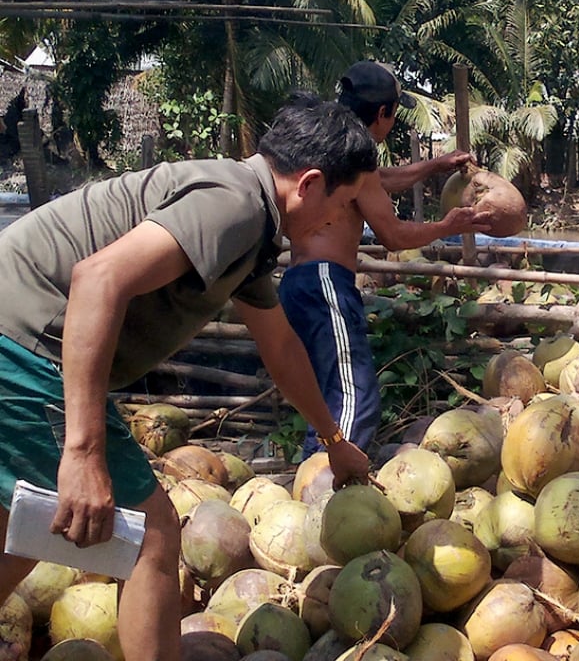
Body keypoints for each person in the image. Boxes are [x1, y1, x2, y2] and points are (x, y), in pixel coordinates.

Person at [0, 99, 376, 661]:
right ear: (311, 184)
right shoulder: (235, 205)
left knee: (28, 527)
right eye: (343, 206)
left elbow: (281, 348)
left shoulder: (250, 232)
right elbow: (97, 279)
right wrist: (82, 450)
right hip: (23, 348)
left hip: (17, 341)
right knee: (151, 536)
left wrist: (334, 442)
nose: (337, 223)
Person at [278, 62, 494, 457]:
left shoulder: (334, 143)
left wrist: (432, 166)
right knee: (353, 400)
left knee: (329, 396)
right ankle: (327, 494)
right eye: (394, 113)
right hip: (325, 284)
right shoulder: (354, 154)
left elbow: (378, 181)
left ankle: (313, 485)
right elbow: (392, 235)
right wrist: (448, 225)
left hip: (302, 284)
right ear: (383, 113)